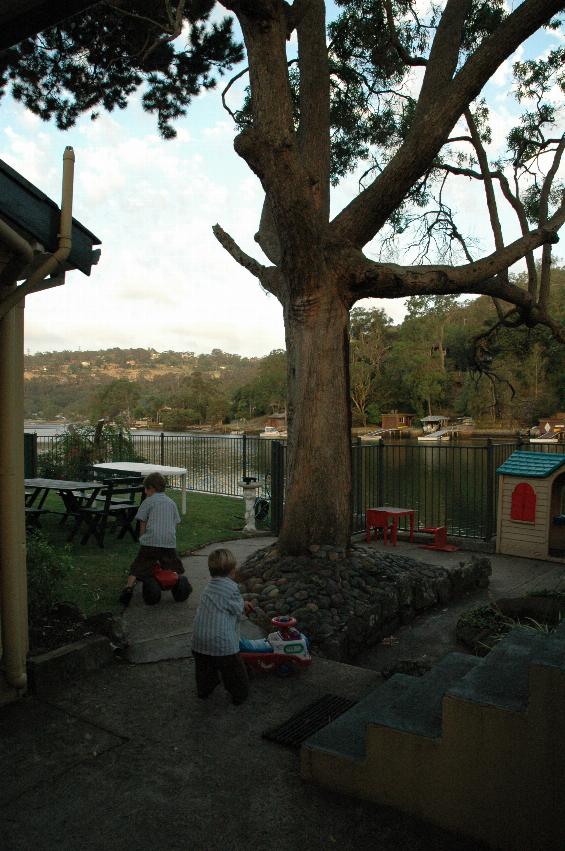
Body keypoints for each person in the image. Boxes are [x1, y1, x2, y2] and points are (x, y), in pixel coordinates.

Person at [191, 548, 253, 706]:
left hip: (199, 640)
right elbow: (237, 608)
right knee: (234, 671)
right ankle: (239, 695)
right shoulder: (232, 588)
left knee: (205, 668)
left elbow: (222, 604)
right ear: (233, 570)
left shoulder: (208, 588)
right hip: (222, 643)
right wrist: (243, 605)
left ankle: (205, 689)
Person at [118, 471, 189, 606]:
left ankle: (128, 588)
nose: (145, 492)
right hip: (169, 541)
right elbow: (175, 523)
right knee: (173, 564)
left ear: (151, 488)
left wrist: (142, 537)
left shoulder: (148, 502)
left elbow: (142, 521)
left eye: (145, 489)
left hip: (151, 541)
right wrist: (169, 536)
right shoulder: (171, 503)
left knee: (139, 564)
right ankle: (179, 582)